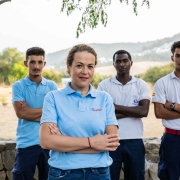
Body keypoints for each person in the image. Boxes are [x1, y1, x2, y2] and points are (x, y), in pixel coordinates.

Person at [39, 44, 119, 180]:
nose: (85, 71)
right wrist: (91, 142)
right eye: (79, 65)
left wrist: (63, 144)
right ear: (69, 66)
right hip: (63, 174)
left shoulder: (104, 98)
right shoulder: (53, 98)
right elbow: (46, 141)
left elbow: (111, 143)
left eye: (90, 66)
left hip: (99, 174)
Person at [98, 50, 150, 180]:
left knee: (136, 177)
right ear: (114, 64)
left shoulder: (140, 85)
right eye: (118, 61)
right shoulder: (104, 85)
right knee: (109, 177)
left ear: (131, 63)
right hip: (111, 140)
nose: (122, 64)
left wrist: (113, 107)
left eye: (125, 60)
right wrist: (133, 111)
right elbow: (101, 114)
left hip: (135, 140)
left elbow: (143, 111)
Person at [12, 47, 58, 180]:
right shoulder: (18, 86)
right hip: (25, 145)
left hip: (48, 144)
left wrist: (30, 111)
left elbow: (56, 114)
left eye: (39, 62)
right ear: (26, 63)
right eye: (32, 62)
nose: (36, 66)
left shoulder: (52, 86)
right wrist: (47, 111)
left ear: (44, 64)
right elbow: (21, 113)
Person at [152, 41, 180, 180]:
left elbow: (165, 109)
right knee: (169, 176)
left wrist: (173, 105)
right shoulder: (162, 83)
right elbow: (159, 113)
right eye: (178, 55)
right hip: (172, 139)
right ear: (172, 57)